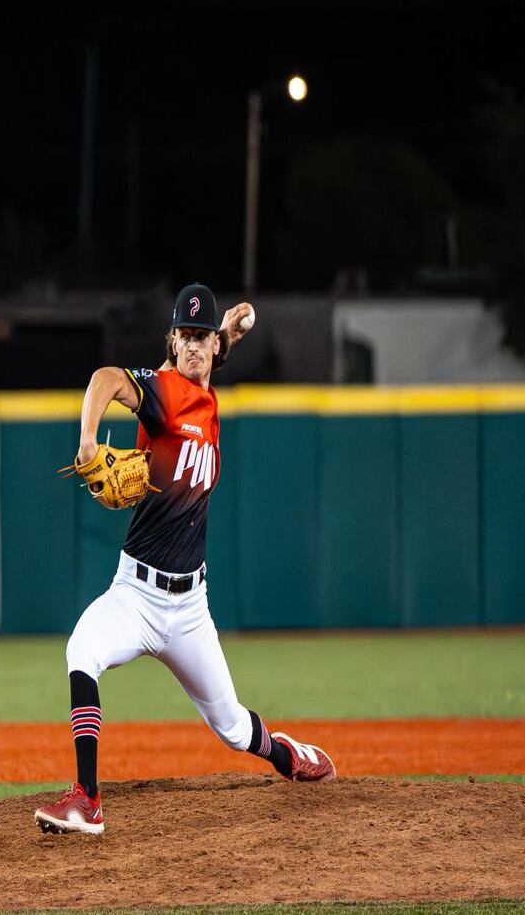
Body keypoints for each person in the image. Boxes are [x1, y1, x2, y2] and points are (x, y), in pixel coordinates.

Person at [34, 283, 335, 836]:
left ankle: (288, 756)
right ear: (170, 342)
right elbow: (105, 379)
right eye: (185, 336)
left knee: (233, 728)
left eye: (203, 338)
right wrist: (87, 441)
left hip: (190, 609)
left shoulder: (207, 388)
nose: (194, 347)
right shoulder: (162, 390)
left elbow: (210, 355)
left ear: (211, 347)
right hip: (136, 596)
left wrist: (231, 332)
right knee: (81, 650)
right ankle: (86, 799)